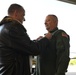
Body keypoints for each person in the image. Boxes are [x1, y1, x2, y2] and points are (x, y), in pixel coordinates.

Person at [0, 4, 52, 75]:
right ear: (16, 13)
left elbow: (21, 46)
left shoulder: (3, 27)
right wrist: (46, 39)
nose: (24, 19)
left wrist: (35, 41)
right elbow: (33, 49)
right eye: (23, 15)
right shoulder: (13, 28)